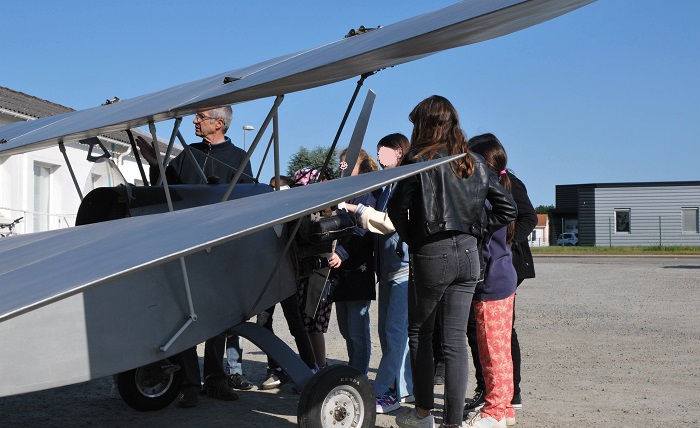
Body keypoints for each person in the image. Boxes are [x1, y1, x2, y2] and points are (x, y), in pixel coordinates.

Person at [387, 96, 517, 428]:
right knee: (455, 338)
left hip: (432, 252)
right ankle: (453, 423)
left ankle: (423, 414)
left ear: (423, 125)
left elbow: (395, 210)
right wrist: (474, 230)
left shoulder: (417, 160)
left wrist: (415, 239)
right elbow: (508, 210)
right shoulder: (473, 161)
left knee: (420, 332)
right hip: (469, 256)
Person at [136, 105, 254, 408]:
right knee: (184, 315)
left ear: (219, 123)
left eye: (200, 117)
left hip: (222, 250)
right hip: (187, 248)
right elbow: (165, 189)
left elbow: (250, 203)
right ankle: (189, 383)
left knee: (219, 317)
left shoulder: (240, 159)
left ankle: (214, 379)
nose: (194, 121)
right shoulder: (187, 156)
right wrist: (155, 165)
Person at [463, 134, 538, 422]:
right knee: (493, 343)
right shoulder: (488, 189)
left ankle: (497, 406)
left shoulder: (497, 190)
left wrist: (507, 242)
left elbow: (527, 218)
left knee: (496, 346)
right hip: (497, 273)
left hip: (496, 275)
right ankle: (500, 404)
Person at [345, 134, 414, 414]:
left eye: (383, 151)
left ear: (398, 152)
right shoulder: (387, 184)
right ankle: (402, 388)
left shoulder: (405, 182)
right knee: (391, 334)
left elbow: (389, 223)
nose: (379, 156)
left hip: (402, 269)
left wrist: (356, 209)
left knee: (395, 333)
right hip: (387, 271)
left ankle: (386, 390)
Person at [258, 174, 318, 390]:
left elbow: (304, 239)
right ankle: (276, 369)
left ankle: (310, 367)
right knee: (263, 325)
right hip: (265, 278)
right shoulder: (262, 215)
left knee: (296, 323)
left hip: (287, 275)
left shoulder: (296, 215)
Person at [328, 149, 380, 375]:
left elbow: (364, 231)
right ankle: (353, 368)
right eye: (341, 164)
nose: (343, 167)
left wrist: (341, 252)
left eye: (348, 164)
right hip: (339, 272)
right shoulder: (342, 193)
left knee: (358, 329)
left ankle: (359, 374)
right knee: (345, 329)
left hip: (359, 270)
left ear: (362, 167)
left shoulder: (368, 195)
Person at [293, 167, 334, 369]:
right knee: (307, 323)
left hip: (320, 273)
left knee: (314, 323)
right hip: (306, 271)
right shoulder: (308, 210)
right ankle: (314, 366)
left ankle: (319, 366)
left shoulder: (327, 209)